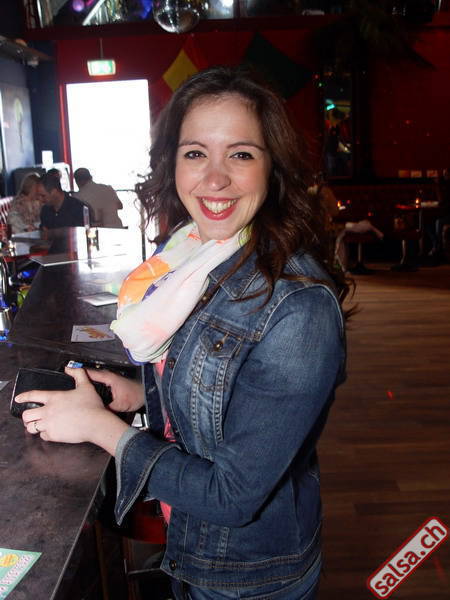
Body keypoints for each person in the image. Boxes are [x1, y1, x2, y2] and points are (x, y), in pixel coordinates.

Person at [16, 67, 348, 600]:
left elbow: (232, 497)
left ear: (274, 167)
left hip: (245, 576)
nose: (214, 180)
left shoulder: (300, 310)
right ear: (172, 163)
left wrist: (100, 427)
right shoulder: (196, 251)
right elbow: (217, 392)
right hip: (189, 545)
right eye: (196, 153)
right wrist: (135, 393)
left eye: (241, 154)